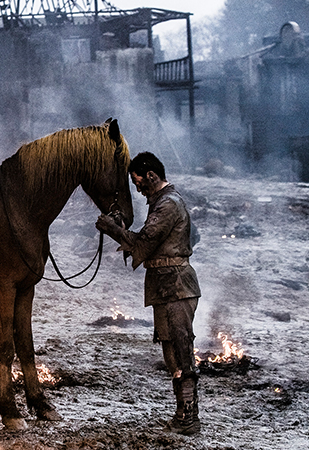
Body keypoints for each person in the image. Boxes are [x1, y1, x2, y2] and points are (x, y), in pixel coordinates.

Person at [95, 151, 201, 435]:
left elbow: (144, 243)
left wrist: (112, 229)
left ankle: (190, 417)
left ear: (151, 175)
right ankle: (183, 414)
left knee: (181, 352)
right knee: (171, 355)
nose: (138, 189)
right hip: (165, 285)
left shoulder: (168, 205)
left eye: (138, 182)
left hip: (176, 286)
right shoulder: (164, 203)